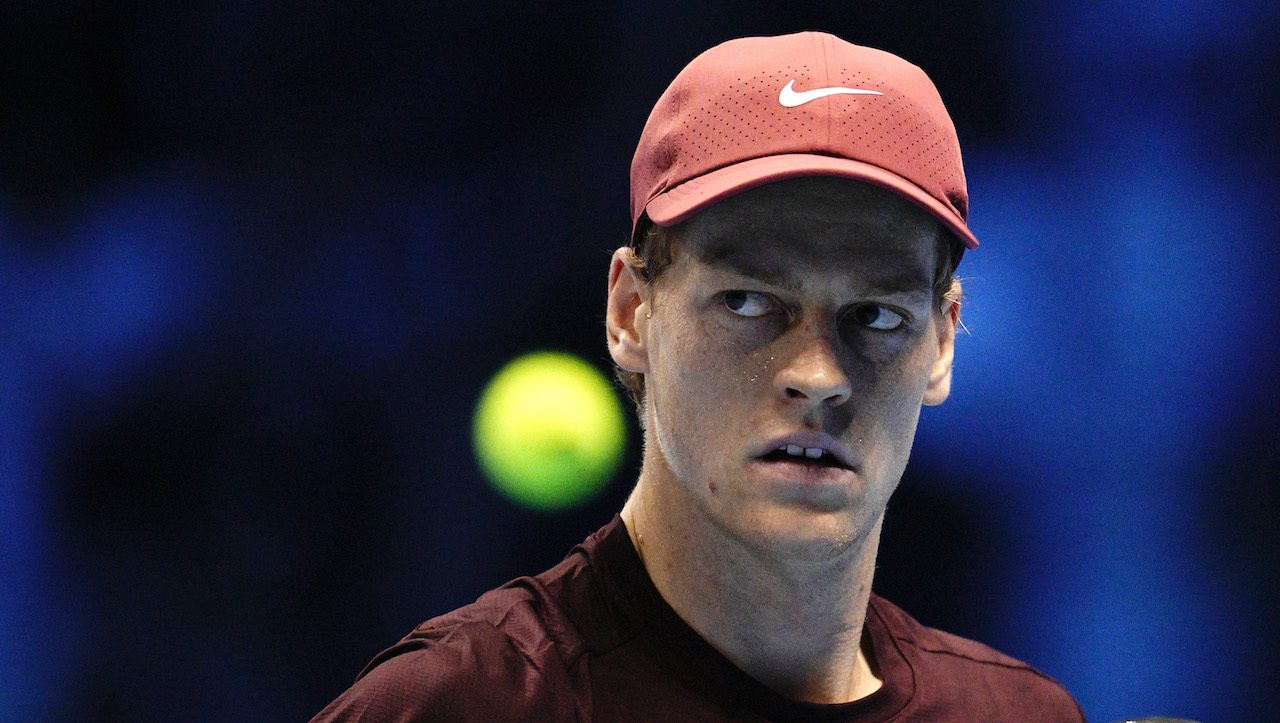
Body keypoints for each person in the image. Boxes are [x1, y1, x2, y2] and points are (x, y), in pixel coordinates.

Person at [313, 31, 1084, 721]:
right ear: (629, 312)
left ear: (943, 344)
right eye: (748, 301)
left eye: (876, 316)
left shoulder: (1023, 714)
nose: (818, 375)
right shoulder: (452, 709)